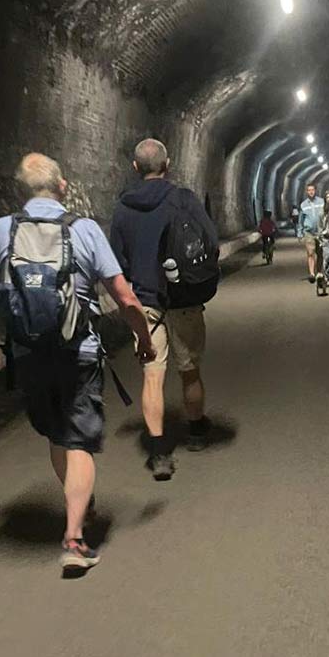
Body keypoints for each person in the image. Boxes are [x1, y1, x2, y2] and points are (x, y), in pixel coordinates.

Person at [0, 154, 155, 571]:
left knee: (58, 436)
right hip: (77, 349)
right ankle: (75, 539)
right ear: (62, 187)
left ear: (21, 191)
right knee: (79, 439)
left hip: (29, 353)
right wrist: (143, 337)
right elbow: (124, 296)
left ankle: (78, 504)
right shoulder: (84, 231)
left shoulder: (0, 231)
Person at [110, 138, 216, 480]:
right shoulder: (182, 199)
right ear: (167, 165)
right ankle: (196, 431)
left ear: (136, 167)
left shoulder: (124, 208)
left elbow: (118, 263)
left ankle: (158, 453)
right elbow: (210, 241)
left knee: (152, 376)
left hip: (145, 303)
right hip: (183, 298)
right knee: (189, 369)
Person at [297, 183, 324, 282]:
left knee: (320, 253)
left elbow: (325, 215)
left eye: (312, 190)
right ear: (306, 192)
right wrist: (300, 232)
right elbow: (300, 220)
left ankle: (319, 272)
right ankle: (312, 273)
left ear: (315, 190)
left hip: (320, 232)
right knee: (310, 253)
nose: (311, 192)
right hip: (309, 232)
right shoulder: (303, 205)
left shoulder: (321, 202)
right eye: (309, 190)